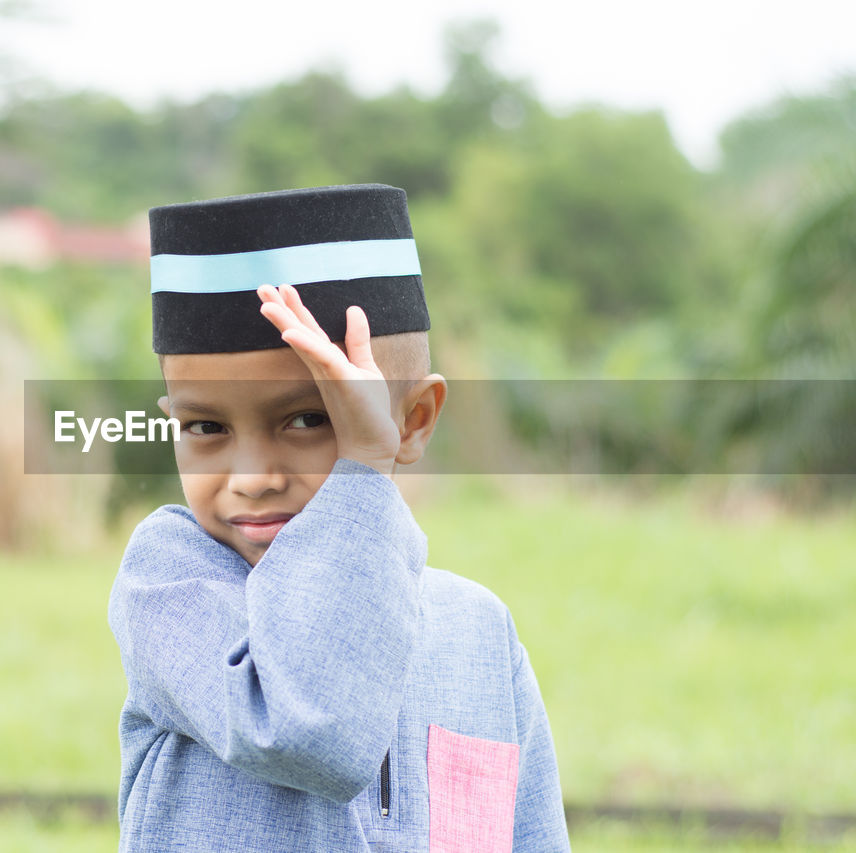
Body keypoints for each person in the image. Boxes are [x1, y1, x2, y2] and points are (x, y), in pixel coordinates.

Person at [107, 184, 570, 851]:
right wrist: (359, 465)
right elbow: (315, 733)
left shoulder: (479, 630)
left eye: (308, 418)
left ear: (410, 422)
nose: (253, 477)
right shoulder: (169, 583)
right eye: (205, 425)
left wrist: (363, 469)